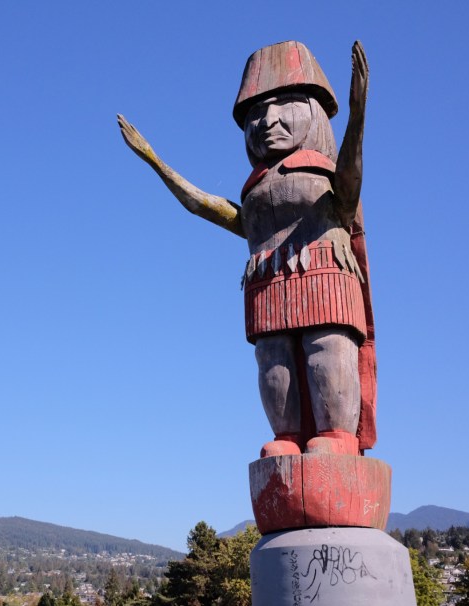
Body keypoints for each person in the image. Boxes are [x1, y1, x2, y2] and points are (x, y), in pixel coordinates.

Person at [118, 40, 375, 457]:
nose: (268, 120)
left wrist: (358, 110)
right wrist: (153, 160)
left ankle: (336, 433)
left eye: (285, 104)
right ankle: (287, 435)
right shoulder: (255, 190)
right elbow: (207, 206)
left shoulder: (328, 174)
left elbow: (349, 183)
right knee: (273, 360)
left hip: (326, 273)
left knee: (325, 349)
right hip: (266, 279)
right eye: (256, 111)